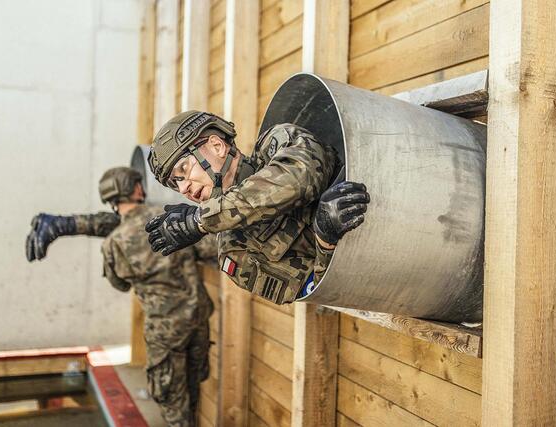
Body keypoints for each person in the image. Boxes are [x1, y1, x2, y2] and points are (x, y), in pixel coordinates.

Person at [25, 166, 216, 427]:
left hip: (164, 332)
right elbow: (210, 250)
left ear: (110, 199)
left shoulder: (113, 243)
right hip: (197, 321)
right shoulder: (171, 218)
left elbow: (120, 285)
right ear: (137, 189)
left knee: (173, 405)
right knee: (192, 391)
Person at [144, 111, 370, 305]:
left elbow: (299, 178)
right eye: (175, 182)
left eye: (184, 170)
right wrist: (325, 240)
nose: (184, 188)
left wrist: (201, 220)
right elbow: (316, 290)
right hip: (377, 268)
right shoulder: (235, 252)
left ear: (217, 146)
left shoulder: (276, 143)